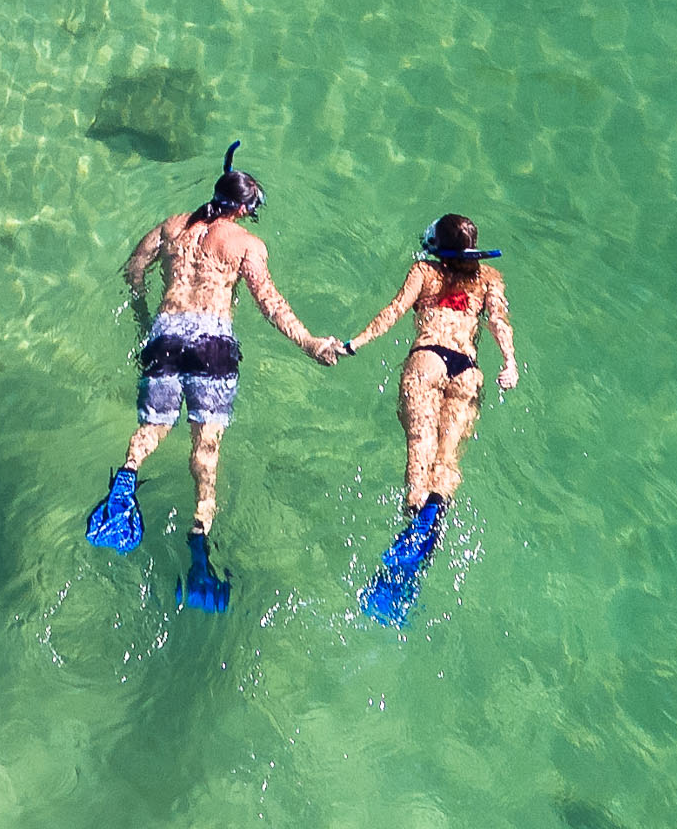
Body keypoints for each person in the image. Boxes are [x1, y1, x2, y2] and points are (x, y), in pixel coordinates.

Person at [84, 142, 344, 612]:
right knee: (206, 450)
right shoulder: (246, 244)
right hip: (212, 344)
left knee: (153, 428)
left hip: (165, 336)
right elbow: (269, 303)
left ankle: (125, 481)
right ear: (242, 208)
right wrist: (310, 343)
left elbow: (134, 270)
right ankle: (200, 545)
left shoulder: (169, 227)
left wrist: (145, 314)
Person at [342, 213, 514, 623]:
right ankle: (426, 533)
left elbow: (395, 310)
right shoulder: (490, 277)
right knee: (447, 463)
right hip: (468, 371)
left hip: (428, 361)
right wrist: (509, 362)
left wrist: (355, 343)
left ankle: (410, 529)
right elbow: (499, 322)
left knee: (420, 455)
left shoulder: (424, 271)